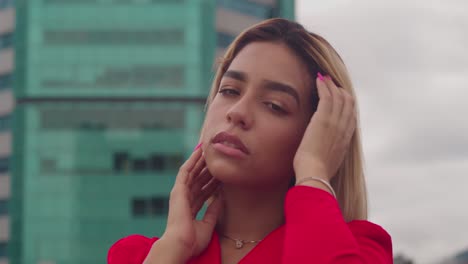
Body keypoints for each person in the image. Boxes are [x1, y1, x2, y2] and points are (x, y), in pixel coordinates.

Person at [107, 18, 393, 264]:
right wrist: (172, 249)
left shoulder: (361, 250)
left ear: (318, 133)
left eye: (274, 105)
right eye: (229, 90)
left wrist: (314, 169)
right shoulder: (138, 255)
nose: (237, 113)